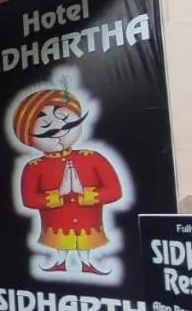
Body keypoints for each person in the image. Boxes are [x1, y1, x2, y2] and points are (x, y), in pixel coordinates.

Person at [13, 87, 123, 275]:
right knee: (60, 243)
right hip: (55, 224)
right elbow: (29, 199)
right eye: (45, 125)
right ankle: (60, 261)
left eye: (63, 118)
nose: (57, 128)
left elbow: (114, 190)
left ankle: (87, 262)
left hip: (89, 223)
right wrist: (58, 194)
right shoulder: (34, 167)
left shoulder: (92, 158)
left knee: (85, 243)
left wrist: (84, 193)